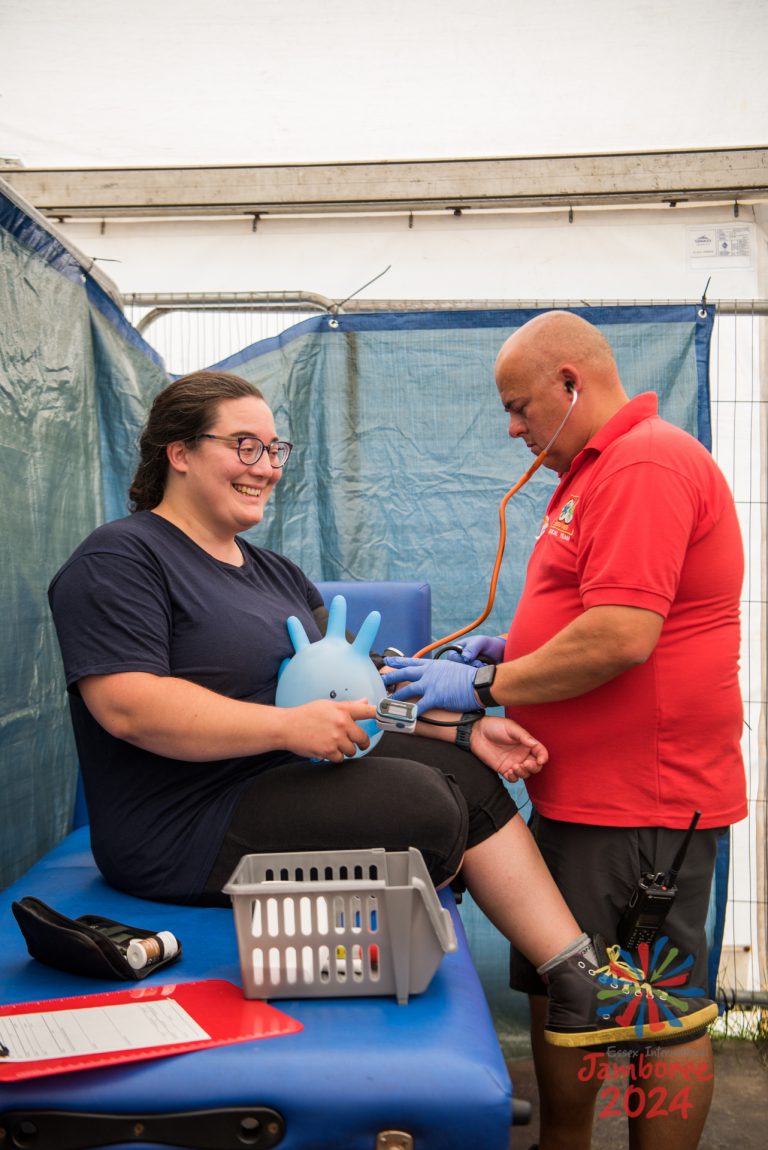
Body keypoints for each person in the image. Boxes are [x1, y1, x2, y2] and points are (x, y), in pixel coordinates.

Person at [48, 368, 715, 1057]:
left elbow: (356, 690)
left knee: (467, 773)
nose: (266, 468)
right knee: (424, 803)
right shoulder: (122, 557)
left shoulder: (273, 572)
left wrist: (463, 726)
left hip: (274, 780)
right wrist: (286, 726)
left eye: (275, 450)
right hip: (182, 823)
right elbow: (126, 704)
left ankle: (579, 980)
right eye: (244, 447)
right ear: (177, 453)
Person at [382, 311, 747, 1150]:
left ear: (570, 383)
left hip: (643, 803)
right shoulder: (594, 472)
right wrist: (514, 644)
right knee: (567, 988)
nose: (512, 428)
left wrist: (480, 680)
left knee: (657, 1009)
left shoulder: (645, 463)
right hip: (584, 793)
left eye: (519, 407)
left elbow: (623, 634)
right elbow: (599, 608)